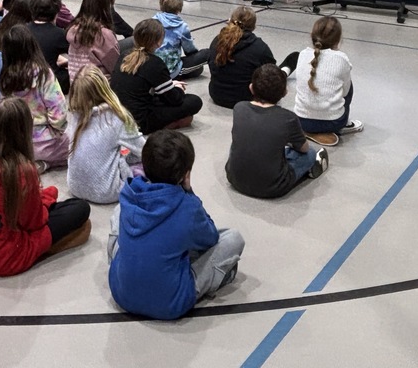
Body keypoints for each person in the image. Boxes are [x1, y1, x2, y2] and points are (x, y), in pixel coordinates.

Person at [108, 129, 244, 320]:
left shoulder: (129, 192)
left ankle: (132, 268)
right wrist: (189, 192)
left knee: (119, 212)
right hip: (170, 304)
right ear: (185, 175)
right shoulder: (187, 206)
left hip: (120, 292)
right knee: (232, 238)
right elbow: (211, 238)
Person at [0, 98, 92, 277]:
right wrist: (47, 197)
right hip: (7, 258)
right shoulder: (19, 170)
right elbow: (34, 222)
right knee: (79, 208)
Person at [226, 64, 328, 199]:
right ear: (285, 92)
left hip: (234, 178)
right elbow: (304, 149)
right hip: (272, 187)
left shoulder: (239, 108)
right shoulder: (288, 118)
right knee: (310, 153)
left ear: (251, 88)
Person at [67, 66, 146, 204]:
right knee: (144, 165)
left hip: (74, 187)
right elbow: (143, 151)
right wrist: (127, 159)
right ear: (105, 86)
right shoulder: (117, 117)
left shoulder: (75, 115)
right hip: (106, 192)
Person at [110, 19, 203, 133]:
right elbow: (175, 99)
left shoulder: (125, 55)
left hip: (118, 114)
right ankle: (165, 126)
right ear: (159, 42)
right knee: (194, 101)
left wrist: (169, 84)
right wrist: (178, 88)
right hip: (140, 121)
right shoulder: (154, 63)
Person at [0, 25, 69, 171]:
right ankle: (44, 163)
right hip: (44, 142)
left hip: (16, 142)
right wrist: (57, 132)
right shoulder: (44, 74)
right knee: (77, 147)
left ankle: (32, 163)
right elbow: (59, 112)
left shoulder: (4, 77)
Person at [292, 15, 363, 146]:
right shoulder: (341, 59)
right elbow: (346, 92)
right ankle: (343, 124)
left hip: (300, 120)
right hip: (333, 122)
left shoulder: (302, 54)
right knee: (348, 85)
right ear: (338, 40)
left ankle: (309, 130)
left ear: (311, 35)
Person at [208, 6, 293, 109]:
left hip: (217, 94)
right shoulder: (259, 47)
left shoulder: (217, 40)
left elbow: (211, 64)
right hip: (246, 98)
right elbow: (271, 75)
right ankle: (285, 71)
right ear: (253, 26)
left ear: (230, 20)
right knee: (292, 60)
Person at [66, 0, 120, 83]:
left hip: (76, 83)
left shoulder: (73, 29)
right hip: (98, 87)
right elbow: (115, 67)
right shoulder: (103, 35)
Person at [153, 0, 210, 79]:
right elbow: (189, 50)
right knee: (206, 55)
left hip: (153, 67)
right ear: (179, 9)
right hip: (171, 72)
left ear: (161, 7)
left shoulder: (153, 20)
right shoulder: (182, 27)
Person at [28, 0, 71, 94]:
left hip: (25, 77)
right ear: (56, 14)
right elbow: (74, 54)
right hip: (49, 80)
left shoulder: (23, 29)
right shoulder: (60, 34)